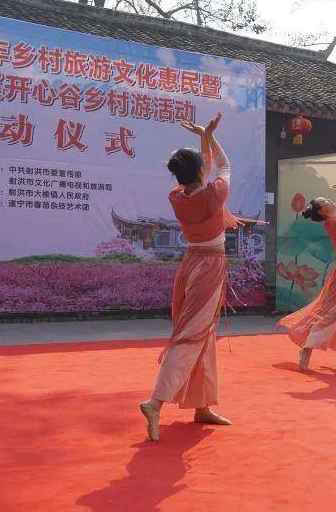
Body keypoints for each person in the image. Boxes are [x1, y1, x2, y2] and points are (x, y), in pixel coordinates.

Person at [140, 113, 235, 442]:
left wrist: (202, 138)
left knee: (203, 337)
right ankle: (156, 402)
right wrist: (209, 138)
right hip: (208, 267)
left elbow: (205, 167)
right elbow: (223, 164)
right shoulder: (214, 195)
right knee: (190, 336)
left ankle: (201, 404)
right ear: (198, 172)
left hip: (193, 263)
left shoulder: (178, 197)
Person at [277, 175, 336, 371]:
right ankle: (307, 347)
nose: (329, 200)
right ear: (322, 211)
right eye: (324, 201)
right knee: (329, 313)